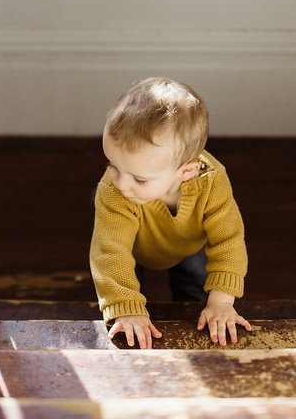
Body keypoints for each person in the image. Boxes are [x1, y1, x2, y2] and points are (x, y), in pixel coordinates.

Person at [89, 77, 251, 349]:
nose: (121, 182)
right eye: (113, 165)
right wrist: (125, 307)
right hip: (131, 246)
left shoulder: (211, 182)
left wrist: (221, 303)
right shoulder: (114, 191)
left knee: (194, 288)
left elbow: (229, 240)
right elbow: (110, 251)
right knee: (125, 286)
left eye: (139, 179)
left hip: (188, 244)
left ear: (186, 172)